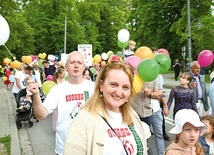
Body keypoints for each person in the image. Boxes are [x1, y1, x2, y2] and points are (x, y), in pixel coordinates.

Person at [64, 62, 148, 155]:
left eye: (125, 87)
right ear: (101, 85)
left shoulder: (132, 115)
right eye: (113, 85)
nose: (119, 92)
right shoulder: (84, 119)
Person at [26, 51, 95, 155]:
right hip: (64, 148)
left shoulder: (95, 88)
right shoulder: (57, 90)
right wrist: (35, 95)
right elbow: (40, 115)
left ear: (84, 66)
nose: (76, 65)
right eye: (72, 62)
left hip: (89, 148)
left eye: (79, 63)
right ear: (66, 67)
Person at [51, 67, 66, 132]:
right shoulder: (55, 81)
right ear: (59, 74)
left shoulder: (64, 80)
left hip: (63, 99)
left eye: (65, 74)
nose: (64, 75)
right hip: (57, 99)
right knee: (56, 115)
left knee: (62, 114)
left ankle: (61, 127)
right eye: (63, 74)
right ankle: (55, 128)